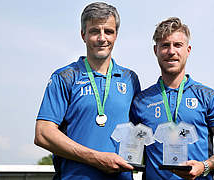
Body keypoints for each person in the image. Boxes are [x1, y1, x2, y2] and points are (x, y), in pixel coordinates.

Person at [34, 2, 140, 180]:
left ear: (116, 35)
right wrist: (96, 158)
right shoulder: (65, 76)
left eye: (108, 31)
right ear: (83, 35)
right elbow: (43, 134)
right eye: (94, 31)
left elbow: (141, 130)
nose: (102, 38)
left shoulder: (130, 79)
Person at [130, 17, 214, 180]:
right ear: (156, 50)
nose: (171, 51)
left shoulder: (207, 96)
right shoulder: (140, 101)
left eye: (177, 45)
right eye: (165, 45)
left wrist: (204, 166)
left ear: (188, 50)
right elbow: (133, 152)